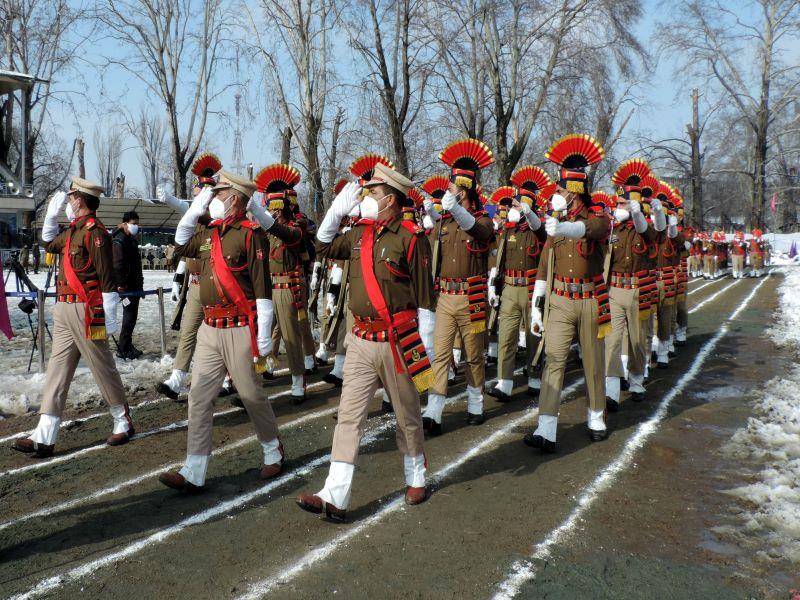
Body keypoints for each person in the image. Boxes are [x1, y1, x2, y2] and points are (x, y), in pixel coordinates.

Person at [296, 162, 435, 521]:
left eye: (373, 191)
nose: (366, 196)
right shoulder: (360, 234)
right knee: (349, 416)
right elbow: (322, 246)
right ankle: (334, 494)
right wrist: (335, 211)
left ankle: (416, 476)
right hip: (359, 338)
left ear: (391, 199)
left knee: (407, 416)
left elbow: (425, 300)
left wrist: (427, 349)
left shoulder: (411, 237)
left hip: (398, 341)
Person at [159, 171, 284, 493]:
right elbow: (180, 243)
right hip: (210, 327)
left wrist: (264, 335)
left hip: (239, 328)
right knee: (199, 397)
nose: (213, 197)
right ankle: (194, 469)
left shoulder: (250, 235)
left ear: (235, 198)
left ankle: (273, 449)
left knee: (251, 394)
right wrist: (195, 208)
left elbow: (262, 287)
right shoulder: (209, 233)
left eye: (219, 193)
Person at [12, 177, 133, 458]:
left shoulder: (95, 232)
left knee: (102, 367)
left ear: (80, 200)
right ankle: (45, 435)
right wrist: (50, 217)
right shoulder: (73, 231)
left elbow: (106, 275)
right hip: (64, 308)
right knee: (58, 371)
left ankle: (123, 420)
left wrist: (109, 312)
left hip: (85, 309)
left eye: (71, 196)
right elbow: (48, 243)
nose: (68, 199)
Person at [525, 134, 610, 452]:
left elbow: (596, 229)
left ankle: (596, 417)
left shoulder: (596, 216)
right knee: (554, 360)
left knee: (593, 362)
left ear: (573, 190)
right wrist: (537, 306)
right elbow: (544, 263)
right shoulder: (554, 222)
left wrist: (567, 228)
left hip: (590, 299)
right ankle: (546, 429)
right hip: (560, 300)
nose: (555, 195)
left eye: (559, 190)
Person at [422, 138, 495, 435]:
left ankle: (476, 402)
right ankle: (435, 410)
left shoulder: (483, 220)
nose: (447, 190)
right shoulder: (444, 223)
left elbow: (479, 232)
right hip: (445, 297)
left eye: (452, 186)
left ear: (463, 189)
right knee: (441, 355)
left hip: (472, 297)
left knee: (474, 356)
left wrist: (456, 211)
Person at [157, 152, 222, 399]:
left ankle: (229, 377)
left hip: (217, 284)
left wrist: (174, 201)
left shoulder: (217, 218)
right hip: (195, 283)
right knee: (188, 332)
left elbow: (197, 211)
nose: (197, 194)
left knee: (220, 333)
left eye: (201, 190)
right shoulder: (195, 221)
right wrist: (177, 278)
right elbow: (187, 252)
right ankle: (177, 379)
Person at [600, 159, 663, 411]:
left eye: (622, 203)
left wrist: (640, 213)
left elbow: (651, 231)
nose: (618, 207)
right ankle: (612, 390)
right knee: (612, 341)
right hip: (615, 290)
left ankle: (636, 381)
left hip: (639, 290)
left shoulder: (644, 227)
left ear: (634, 204)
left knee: (637, 342)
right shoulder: (614, 229)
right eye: (617, 203)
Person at [487, 166, 550, 402]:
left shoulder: (538, 229)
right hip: (510, 288)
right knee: (506, 335)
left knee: (533, 336)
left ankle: (534, 377)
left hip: (531, 289)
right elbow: (500, 259)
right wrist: (494, 285)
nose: (511, 209)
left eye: (515, 205)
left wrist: (528, 212)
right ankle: (504, 381)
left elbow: (540, 230)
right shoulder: (508, 230)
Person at [251, 163, 310, 403]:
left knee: (290, 337)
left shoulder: (295, 228)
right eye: (270, 207)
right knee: (262, 336)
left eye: (276, 207)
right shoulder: (264, 231)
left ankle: (298, 380)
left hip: (286, 287)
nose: (272, 212)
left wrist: (267, 220)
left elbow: (287, 234)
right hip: (266, 288)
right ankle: (259, 376)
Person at [112, 211, 144, 359]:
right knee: (129, 317)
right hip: (126, 286)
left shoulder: (130, 239)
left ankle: (127, 344)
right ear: (124, 224)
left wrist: (140, 284)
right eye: (133, 223)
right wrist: (121, 283)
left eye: (137, 223)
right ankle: (123, 348)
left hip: (134, 284)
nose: (136, 226)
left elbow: (136, 264)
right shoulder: (119, 240)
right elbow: (118, 264)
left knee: (132, 317)